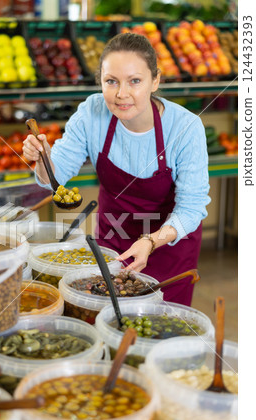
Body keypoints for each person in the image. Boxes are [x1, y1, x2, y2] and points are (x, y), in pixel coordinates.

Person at [22, 33, 210, 306]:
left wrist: (150, 242)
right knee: (106, 317)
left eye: (135, 81)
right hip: (111, 243)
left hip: (168, 247)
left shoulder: (185, 128)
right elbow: (55, 175)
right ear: (100, 81)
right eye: (111, 81)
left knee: (159, 330)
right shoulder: (92, 112)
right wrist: (42, 157)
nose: (122, 94)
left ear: (155, 80)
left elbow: (191, 209)